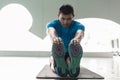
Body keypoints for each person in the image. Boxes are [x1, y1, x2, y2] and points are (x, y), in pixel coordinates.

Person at [46, 4, 85, 77]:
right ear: (58, 15)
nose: (65, 22)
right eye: (63, 18)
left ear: (73, 16)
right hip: (58, 52)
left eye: (69, 19)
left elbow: (80, 33)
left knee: (64, 66)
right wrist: (55, 38)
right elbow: (51, 31)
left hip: (71, 52)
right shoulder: (53, 24)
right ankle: (59, 62)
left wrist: (76, 39)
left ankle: (68, 63)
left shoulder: (79, 25)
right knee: (58, 62)